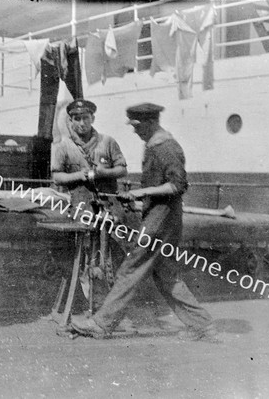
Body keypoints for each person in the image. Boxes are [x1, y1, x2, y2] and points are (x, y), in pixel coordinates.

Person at [71, 102, 218, 342]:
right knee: (166, 275)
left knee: (132, 268)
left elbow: (177, 186)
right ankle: (204, 325)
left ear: (150, 123)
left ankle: (101, 323)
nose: (134, 131)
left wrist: (141, 193)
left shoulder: (165, 148)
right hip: (163, 217)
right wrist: (141, 201)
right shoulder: (156, 145)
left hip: (161, 219)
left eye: (137, 126)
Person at [51, 98, 135, 331]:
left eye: (85, 118)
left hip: (109, 207)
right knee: (88, 258)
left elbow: (122, 168)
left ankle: (113, 312)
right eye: (76, 119)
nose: (81, 123)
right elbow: (57, 177)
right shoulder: (64, 147)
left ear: (92, 119)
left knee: (113, 258)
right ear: (71, 121)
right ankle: (93, 310)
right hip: (82, 208)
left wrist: (101, 173)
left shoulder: (107, 142)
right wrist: (81, 176)